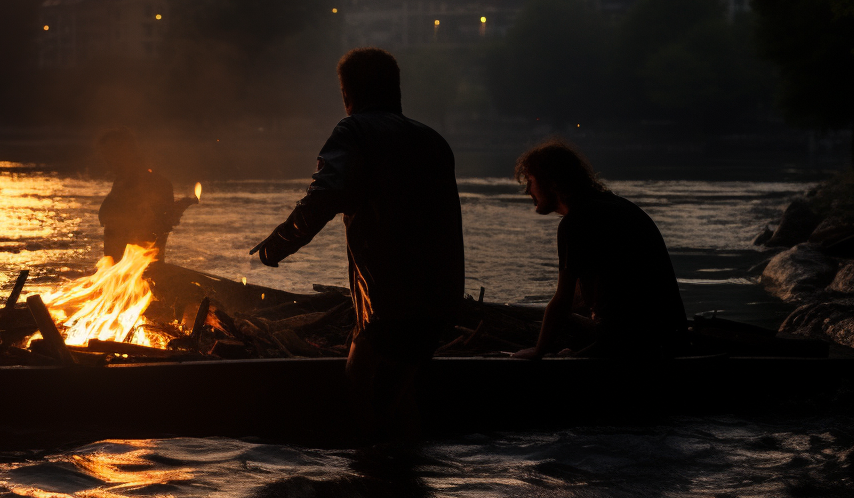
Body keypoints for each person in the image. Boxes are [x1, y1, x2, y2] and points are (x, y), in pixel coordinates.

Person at [251, 47, 465, 432]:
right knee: (399, 395)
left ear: (348, 93)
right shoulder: (434, 141)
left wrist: (277, 245)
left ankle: (373, 481)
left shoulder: (354, 132)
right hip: (440, 298)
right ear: (395, 91)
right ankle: (405, 479)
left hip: (389, 299)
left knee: (365, 396)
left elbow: (324, 198)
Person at [509, 141, 688, 360]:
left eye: (530, 180)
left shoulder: (576, 222)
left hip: (635, 344)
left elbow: (563, 301)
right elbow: (580, 298)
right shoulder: (616, 206)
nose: (527, 190)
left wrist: (539, 351)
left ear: (552, 182)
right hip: (669, 334)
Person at [96, 129, 195, 262]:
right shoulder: (121, 181)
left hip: (140, 264)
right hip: (118, 268)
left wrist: (179, 208)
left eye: (111, 155)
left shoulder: (155, 183)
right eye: (105, 156)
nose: (107, 162)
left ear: (127, 153)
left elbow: (161, 226)